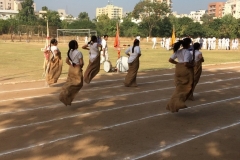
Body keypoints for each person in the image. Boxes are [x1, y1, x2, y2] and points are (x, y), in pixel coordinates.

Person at [166, 38, 194, 113]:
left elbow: (170, 60)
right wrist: (192, 65)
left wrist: (178, 64)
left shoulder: (178, 51)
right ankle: (179, 102)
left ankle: (173, 103)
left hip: (178, 69)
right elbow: (186, 63)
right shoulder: (187, 52)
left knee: (179, 86)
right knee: (187, 87)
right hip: (185, 70)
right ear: (188, 44)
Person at [59, 40, 84, 106]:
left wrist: (71, 64)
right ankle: (65, 93)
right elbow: (81, 63)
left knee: (70, 82)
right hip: (77, 68)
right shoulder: (79, 52)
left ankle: (64, 91)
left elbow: (67, 61)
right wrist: (80, 67)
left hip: (71, 68)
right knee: (78, 84)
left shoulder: (69, 51)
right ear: (75, 45)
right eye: (77, 44)